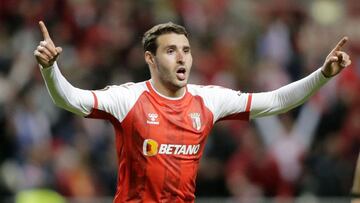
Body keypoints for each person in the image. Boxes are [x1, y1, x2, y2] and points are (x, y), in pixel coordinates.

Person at [34, 20, 351, 202]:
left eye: (186, 50)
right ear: (151, 59)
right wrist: (51, 69)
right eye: (171, 51)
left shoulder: (208, 100)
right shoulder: (128, 98)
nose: (182, 58)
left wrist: (322, 75)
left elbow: (277, 101)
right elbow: (69, 100)